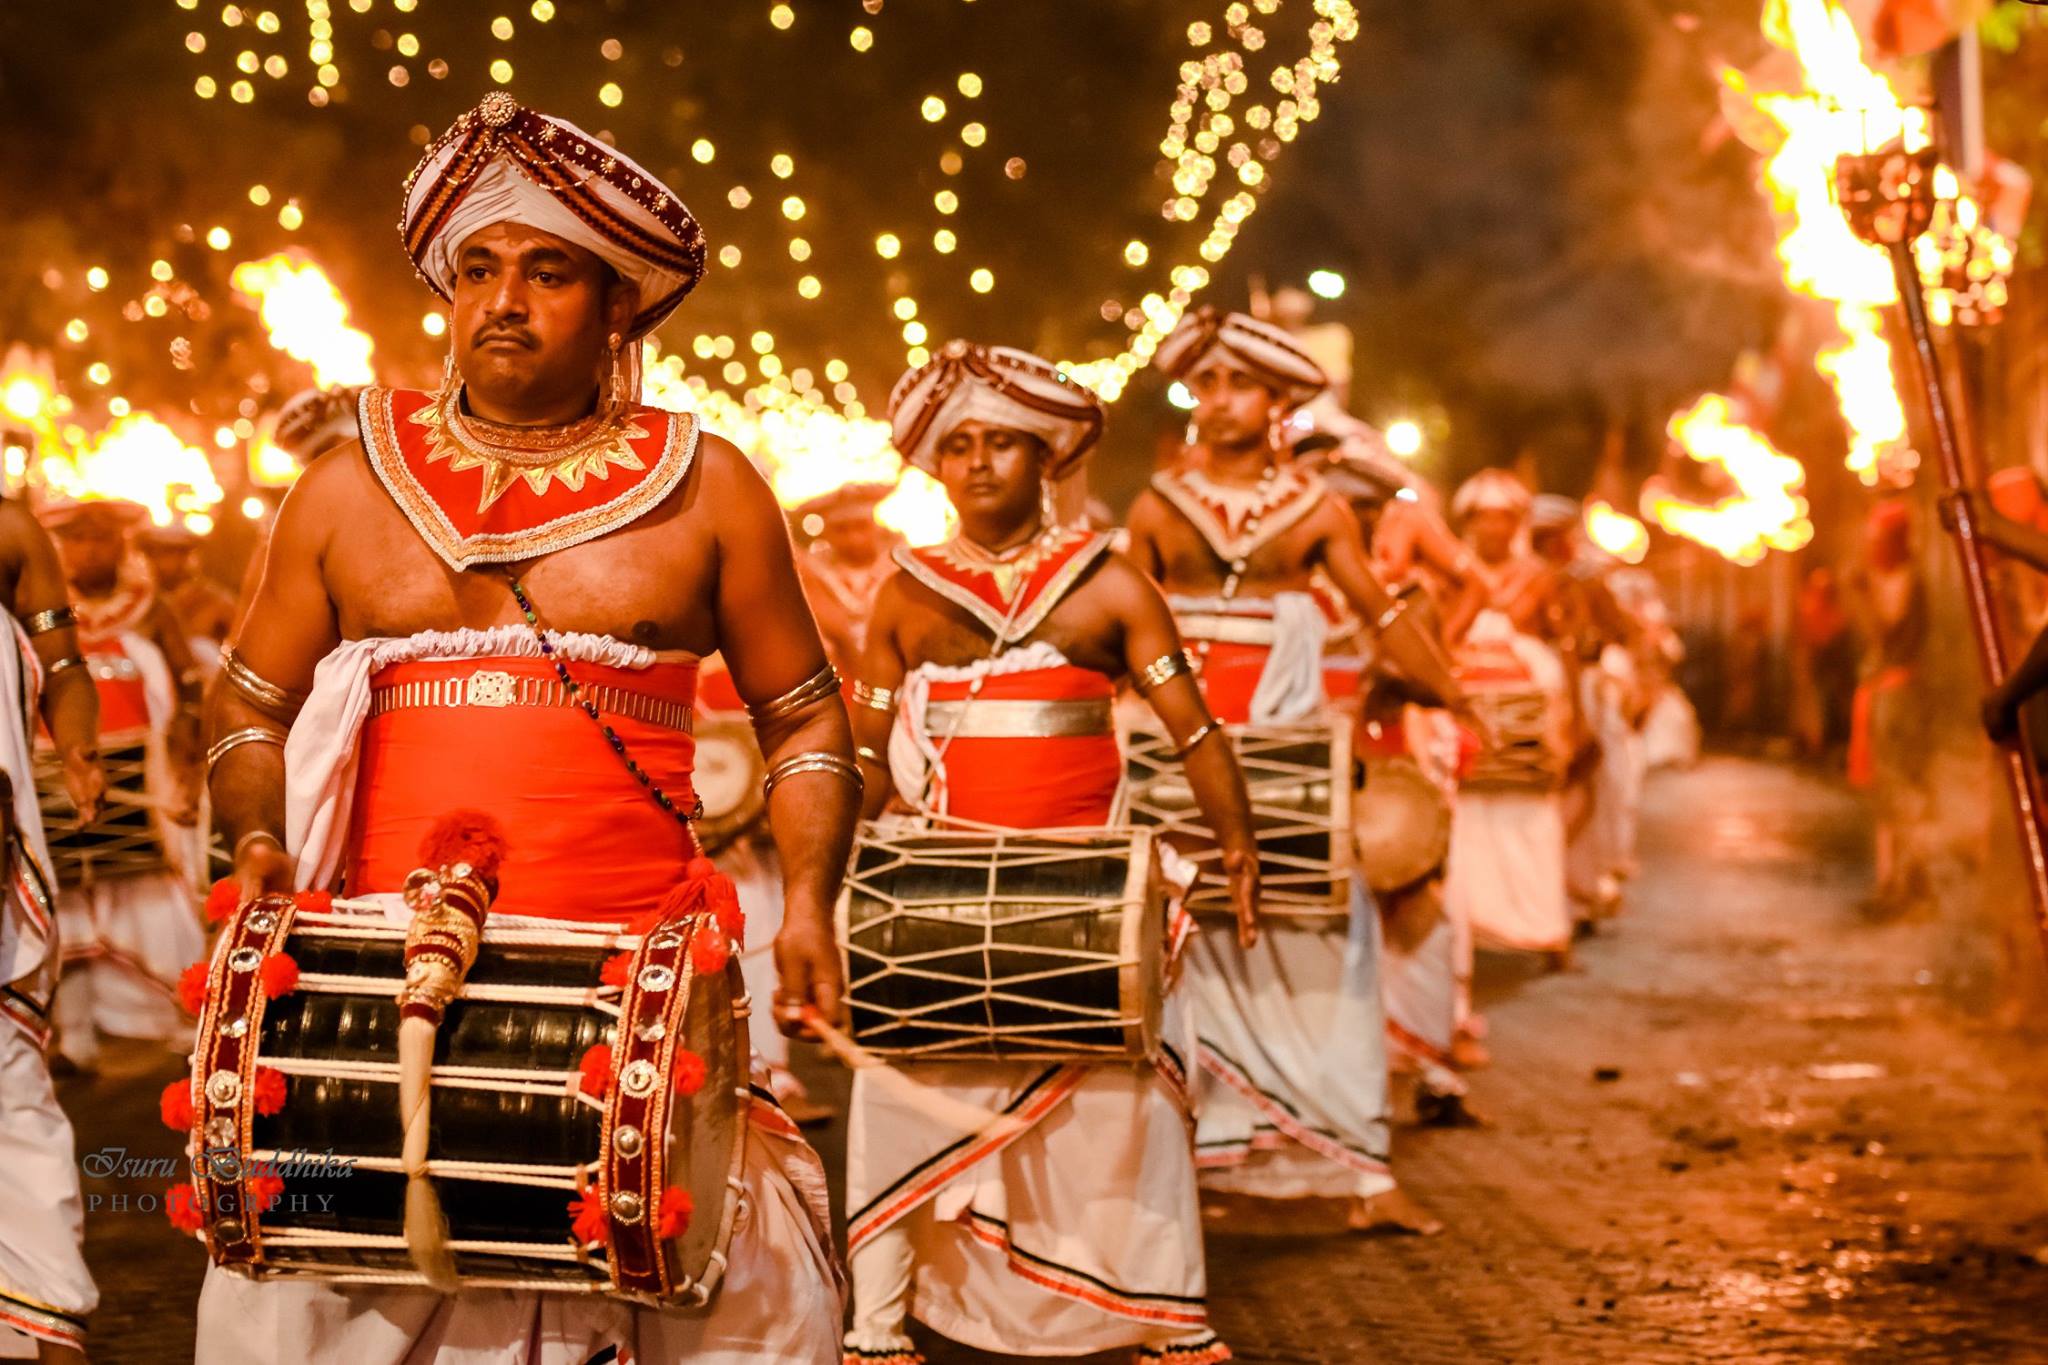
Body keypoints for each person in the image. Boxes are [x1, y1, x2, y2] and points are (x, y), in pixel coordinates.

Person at [201, 94, 850, 1363]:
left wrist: (812, 904)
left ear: (618, 305)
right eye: (478, 268)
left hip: (635, 997)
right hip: (375, 988)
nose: (502, 299)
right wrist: (251, 837)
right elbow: (245, 703)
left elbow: (805, 711)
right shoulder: (343, 488)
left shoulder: (709, 488)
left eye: (548, 271)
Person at [842, 340, 1257, 1364]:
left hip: (1084, 898)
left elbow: (1196, 731)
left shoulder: (1109, 588)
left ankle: (1161, 1316)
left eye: (1001, 444)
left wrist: (1238, 845)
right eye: (958, 446)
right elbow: (859, 758)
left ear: (1047, 462)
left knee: (1127, 1107)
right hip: (935, 899)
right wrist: (832, 888)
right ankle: (877, 1329)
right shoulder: (903, 597)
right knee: (900, 1103)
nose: (977, 462)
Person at [1124, 307, 1475, 1233]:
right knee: (1173, 948)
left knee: (1332, 937)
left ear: (1279, 402)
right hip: (1178, 747)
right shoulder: (1161, 504)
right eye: (1206, 384)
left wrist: (1448, 685)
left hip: (1286, 755)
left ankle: (1360, 1172)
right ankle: (1186, 1160)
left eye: (1240, 383)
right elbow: (1126, 616)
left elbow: (1378, 610)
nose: (1219, 401)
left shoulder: (1316, 511)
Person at [40, 498, 205, 1073]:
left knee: (154, 900)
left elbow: (187, 690)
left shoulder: (150, 608)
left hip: (141, 774)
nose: (91, 550)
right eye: (77, 539)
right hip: (53, 772)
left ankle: (183, 1025)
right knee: (64, 907)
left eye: (102, 538)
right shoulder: (41, 610)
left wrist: (186, 760)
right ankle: (76, 1038)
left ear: (121, 543)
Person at [0, 497, 104, 1363]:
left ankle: (44, 1311)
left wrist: (75, 747)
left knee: (8, 1087)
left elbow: (64, 664)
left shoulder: (10, 530)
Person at [1441, 471, 1575, 972]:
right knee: (1465, 821)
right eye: (1483, 518)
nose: (1493, 529)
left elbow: (1558, 643)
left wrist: (1567, 723)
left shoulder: (1538, 575)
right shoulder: (1448, 568)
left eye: (1503, 518)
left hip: (1528, 711)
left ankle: (1544, 928)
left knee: (1532, 818)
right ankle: (1469, 928)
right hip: (1467, 698)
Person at [1846, 498, 1930, 912]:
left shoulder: (1903, 578)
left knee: (1900, 793)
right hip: (1884, 691)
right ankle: (1889, 881)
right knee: (1887, 795)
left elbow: (1884, 627)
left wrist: (1862, 592)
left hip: (1897, 693)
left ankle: (1903, 883)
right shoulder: (1890, 575)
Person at [795, 481, 900, 681]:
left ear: (875, 525)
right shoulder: (811, 574)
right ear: (825, 531)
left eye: (861, 526)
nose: (854, 538)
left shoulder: (899, 567)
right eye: (841, 529)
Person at [134, 522, 235, 667]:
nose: (159, 562)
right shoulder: (138, 601)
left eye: (168, 553)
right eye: (154, 553)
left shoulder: (215, 601)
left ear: (185, 556)